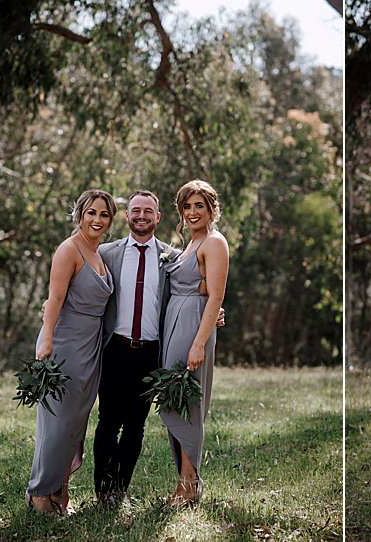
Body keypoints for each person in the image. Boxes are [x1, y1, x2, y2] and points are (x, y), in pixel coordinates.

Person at [26, 190, 116, 514]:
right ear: (79, 214)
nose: (97, 219)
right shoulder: (69, 249)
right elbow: (54, 298)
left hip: (90, 348)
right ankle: (39, 494)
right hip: (65, 344)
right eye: (91, 212)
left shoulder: (100, 253)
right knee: (57, 423)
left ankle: (60, 494)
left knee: (76, 424)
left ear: (110, 220)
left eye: (104, 215)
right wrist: (45, 340)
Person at [92, 190, 178, 508]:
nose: (141, 216)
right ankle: (103, 490)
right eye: (135, 210)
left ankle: (120, 488)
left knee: (136, 426)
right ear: (126, 216)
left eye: (148, 211)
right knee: (107, 422)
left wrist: (216, 310)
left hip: (150, 354)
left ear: (158, 217)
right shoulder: (106, 253)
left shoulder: (173, 257)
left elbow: (191, 292)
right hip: (114, 349)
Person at [160, 179, 229, 508]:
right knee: (174, 398)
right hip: (175, 323)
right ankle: (186, 480)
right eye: (186, 206)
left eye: (198, 206)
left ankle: (189, 485)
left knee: (188, 404)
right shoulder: (189, 244)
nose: (192, 212)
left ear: (212, 209)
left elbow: (216, 295)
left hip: (191, 327)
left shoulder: (214, 243)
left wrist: (200, 342)